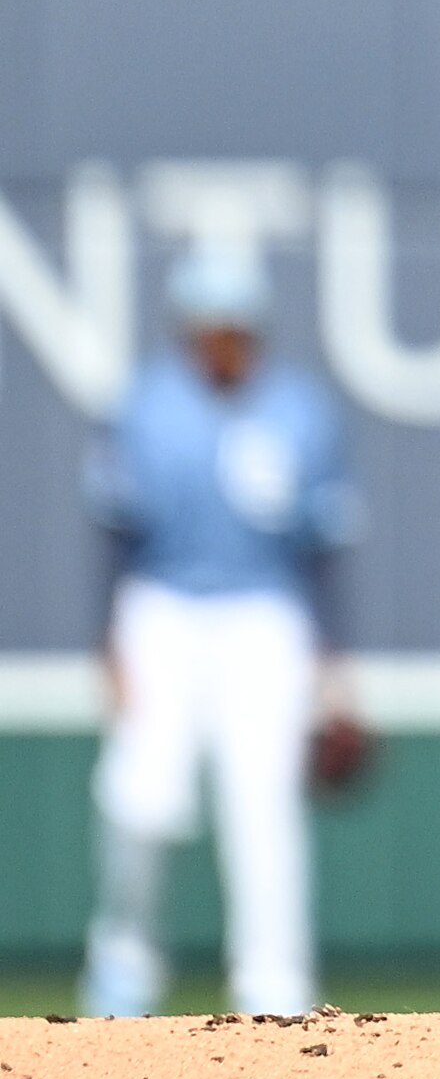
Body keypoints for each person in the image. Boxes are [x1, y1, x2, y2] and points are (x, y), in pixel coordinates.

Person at [82, 241, 363, 1018]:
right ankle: (123, 964)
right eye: (211, 325)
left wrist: (333, 664)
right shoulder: (146, 406)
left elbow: (324, 549)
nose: (223, 339)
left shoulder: (296, 411)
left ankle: (274, 986)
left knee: (262, 801)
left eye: (235, 325)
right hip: (162, 607)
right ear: (188, 329)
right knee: (142, 791)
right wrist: (107, 639)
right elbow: (116, 531)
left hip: (264, 615)